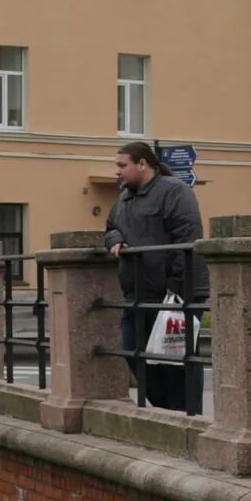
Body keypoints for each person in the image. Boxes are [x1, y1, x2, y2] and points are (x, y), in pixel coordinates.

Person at [104, 141, 208, 414]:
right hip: (138, 293)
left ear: (143, 164)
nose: (118, 171)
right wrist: (114, 239)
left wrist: (174, 289)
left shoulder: (175, 191)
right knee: (133, 354)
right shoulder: (124, 198)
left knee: (176, 364)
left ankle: (186, 418)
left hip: (177, 294)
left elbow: (188, 238)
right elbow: (111, 226)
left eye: (122, 165)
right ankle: (164, 411)